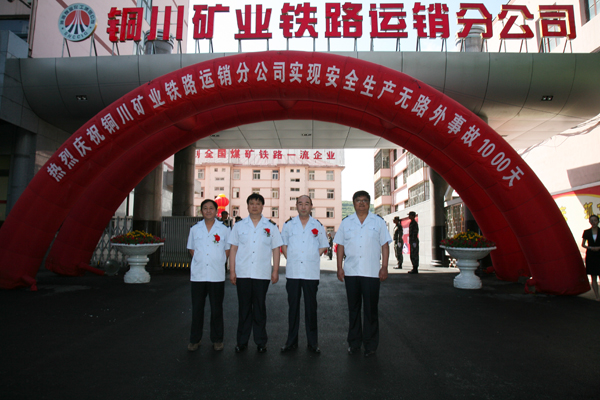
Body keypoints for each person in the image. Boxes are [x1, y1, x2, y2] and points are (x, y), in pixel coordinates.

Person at [334, 190, 392, 357]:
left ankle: (371, 345)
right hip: (351, 272)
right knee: (353, 309)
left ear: (369, 203)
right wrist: (339, 267)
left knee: (370, 310)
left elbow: (385, 245)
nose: (361, 203)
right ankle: (354, 343)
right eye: (358, 200)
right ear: (353, 203)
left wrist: (384, 267)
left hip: (371, 272)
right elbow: (340, 246)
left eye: (365, 200)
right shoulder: (346, 222)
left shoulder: (378, 222)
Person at [228, 193, 282, 353]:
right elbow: (233, 249)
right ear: (247, 206)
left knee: (259, 308)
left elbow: (276, 249)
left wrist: (275, 270)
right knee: (244, 309)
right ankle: (242, 342)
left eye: (257, 204)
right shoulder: (239, 226)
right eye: (251, 203)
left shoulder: (271, 226)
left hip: (261, 274)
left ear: (262, 206)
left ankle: (260, 342)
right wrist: (232, 271)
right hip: (243, 273)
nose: (254, 206)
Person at [280, 195, 329, 354]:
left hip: (310, 273)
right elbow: (284, 244)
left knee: (311, 309)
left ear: (311, 206)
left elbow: (323, 245)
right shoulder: (289, 225)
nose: (303, 206)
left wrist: (313, 256)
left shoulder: (317, 225)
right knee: (293, 309)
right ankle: (291, 341)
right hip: (293, 272)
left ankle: (312, 343)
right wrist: (290, 257)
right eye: (300, 204)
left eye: (306, 204)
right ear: (296, 206)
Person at [186, 199, 231, 352]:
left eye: (211, 208)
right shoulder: (195, 229)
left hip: (216, 274)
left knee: (216, 309)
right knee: (197, 309)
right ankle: (195, 339)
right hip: (198, 275)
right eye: (205, 208)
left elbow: (227, 250)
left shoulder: (224, 229)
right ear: (201, 211)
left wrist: (218, 261)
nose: (208, 211)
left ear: (216, 211)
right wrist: (202, 260)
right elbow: (192, 249)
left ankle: (217, 339)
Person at [582, 214, 600, 301]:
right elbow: (583, 244)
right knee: (593, 276)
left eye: (595, 220)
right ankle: (597, 296)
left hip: (599, 254)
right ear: (589, 222)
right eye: (592, 221)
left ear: (598, 221)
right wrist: (590, 247)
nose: (593, 222)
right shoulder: (587, 232)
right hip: (591, 255)